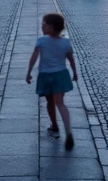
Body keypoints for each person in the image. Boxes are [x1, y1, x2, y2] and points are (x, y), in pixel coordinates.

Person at [26, 13, 79, 151]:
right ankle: (68, 131)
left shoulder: (41, 41)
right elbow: (71, 58)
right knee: (60, 103)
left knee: (50, 102)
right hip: (61, 75)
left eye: (44, 25)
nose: (42, 26)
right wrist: (75, 72)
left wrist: (29, 72)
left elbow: (33, 58)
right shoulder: (66, 42)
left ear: (51, 27)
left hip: (46, 75)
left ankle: (55, 126)